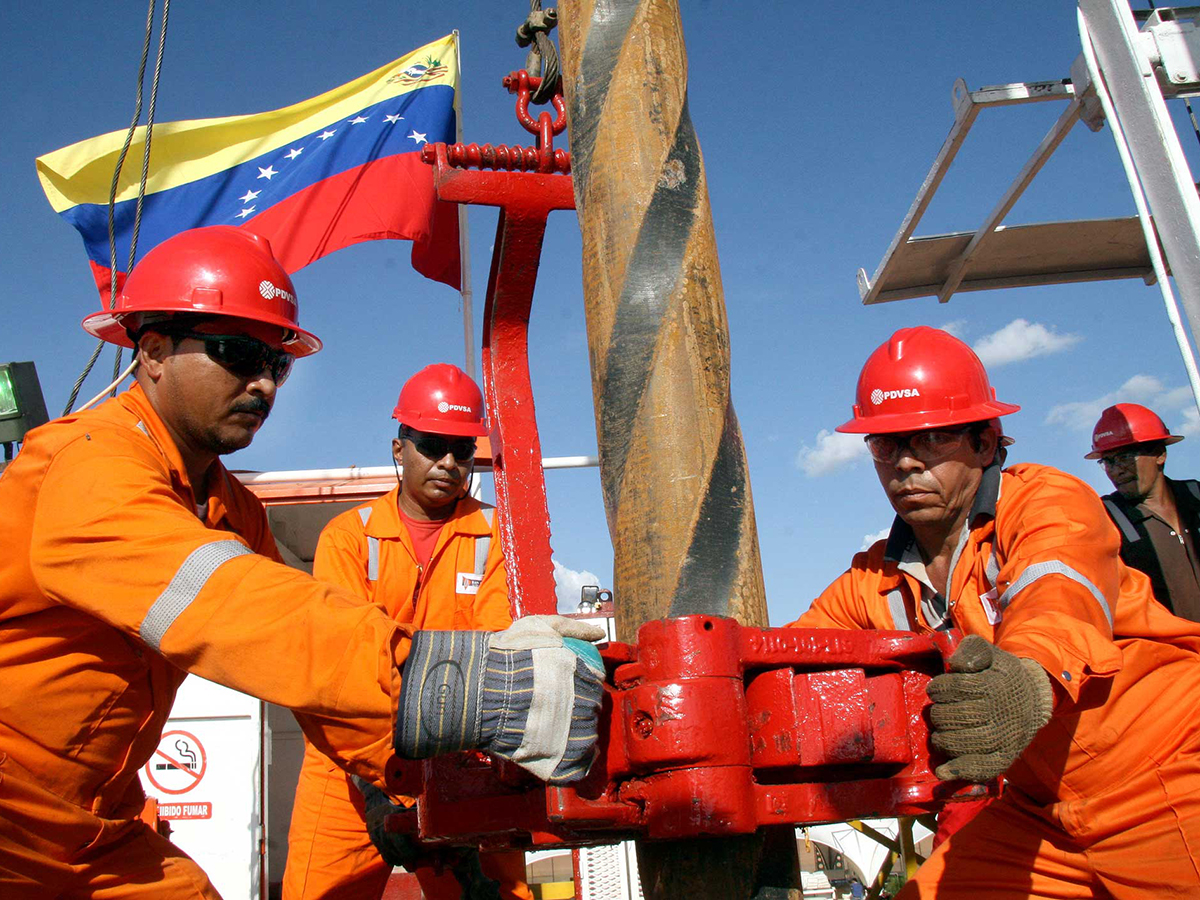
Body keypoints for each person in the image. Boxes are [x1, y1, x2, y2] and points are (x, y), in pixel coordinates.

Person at [0, 226, 604, 900]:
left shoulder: (233, 511)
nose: (263, 383)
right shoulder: (86, 461)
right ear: (153, 351)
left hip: (87, 827)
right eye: (236, 354)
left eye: (277, 364)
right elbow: (232, 605)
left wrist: (415, 783)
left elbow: (307, 678)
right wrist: (457, 683)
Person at [789, 326, 1200, 898]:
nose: (905, 463)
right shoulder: (876, 578)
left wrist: (1025, 678)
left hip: (1166, 779)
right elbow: (783, 657)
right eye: (885, 445)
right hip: (1037, 815)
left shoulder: (1045, 502)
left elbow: (1058, 588)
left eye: (929, 438)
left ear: (986, 444)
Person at [283, 365, 532, 900]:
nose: (448, 463)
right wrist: (376, 789)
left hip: (464, 765)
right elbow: (341, 669)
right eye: (432, 445)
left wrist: (463, 785)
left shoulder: (497, 535)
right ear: (399, 449)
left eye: (461, 450)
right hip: (349, 769)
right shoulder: (349, 537)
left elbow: (498, 656)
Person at [1087, 402, 1200, 622]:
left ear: (1159, 454)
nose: (1117, 470)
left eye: (1125, 457)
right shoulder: (1105, 518)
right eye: (1108, 461)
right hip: (1173, 653)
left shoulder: (1196, 495)